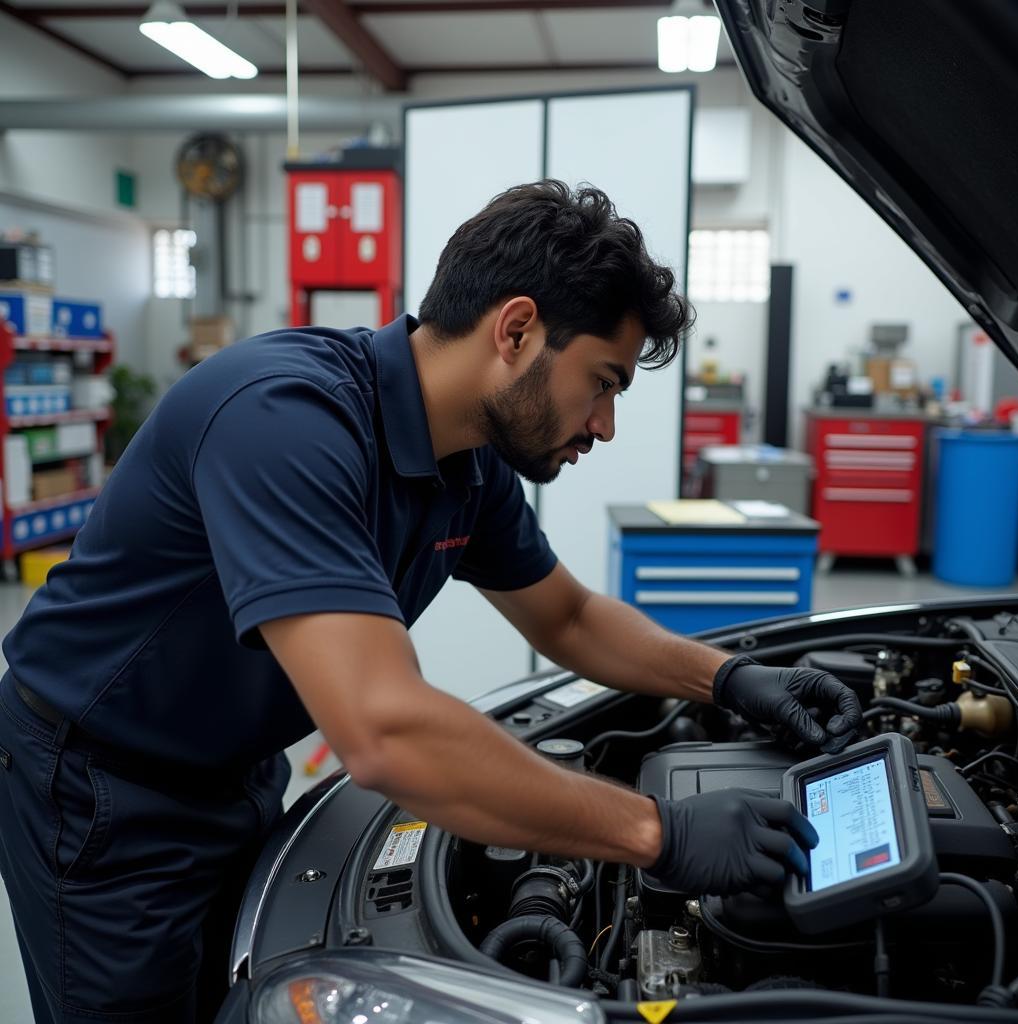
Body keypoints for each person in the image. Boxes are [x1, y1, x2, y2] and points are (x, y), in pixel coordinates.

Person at [0, 181, 861, 1023]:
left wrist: (734, 679)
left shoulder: (470, 459)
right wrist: (660, 833)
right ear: (517, 330)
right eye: (603, 382)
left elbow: (566, 617)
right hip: (102, 790)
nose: (603, 426)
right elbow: (385, 729)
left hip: (233, 767)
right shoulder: (286, 420)